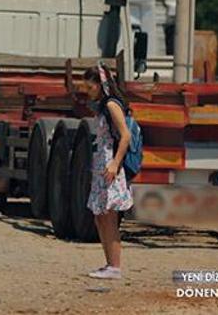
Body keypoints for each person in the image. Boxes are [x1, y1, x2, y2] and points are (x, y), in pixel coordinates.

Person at [82, 63, 134, 280]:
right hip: (102, 163)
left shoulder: (112, 105)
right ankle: (109, 263)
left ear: (100, 85)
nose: (87, 91)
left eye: (90, 86)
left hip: (110, 164)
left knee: (109, 216)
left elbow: (126, 136)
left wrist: (114, 163)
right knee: (100, 215)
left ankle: (115, 266)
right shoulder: (104, 106)